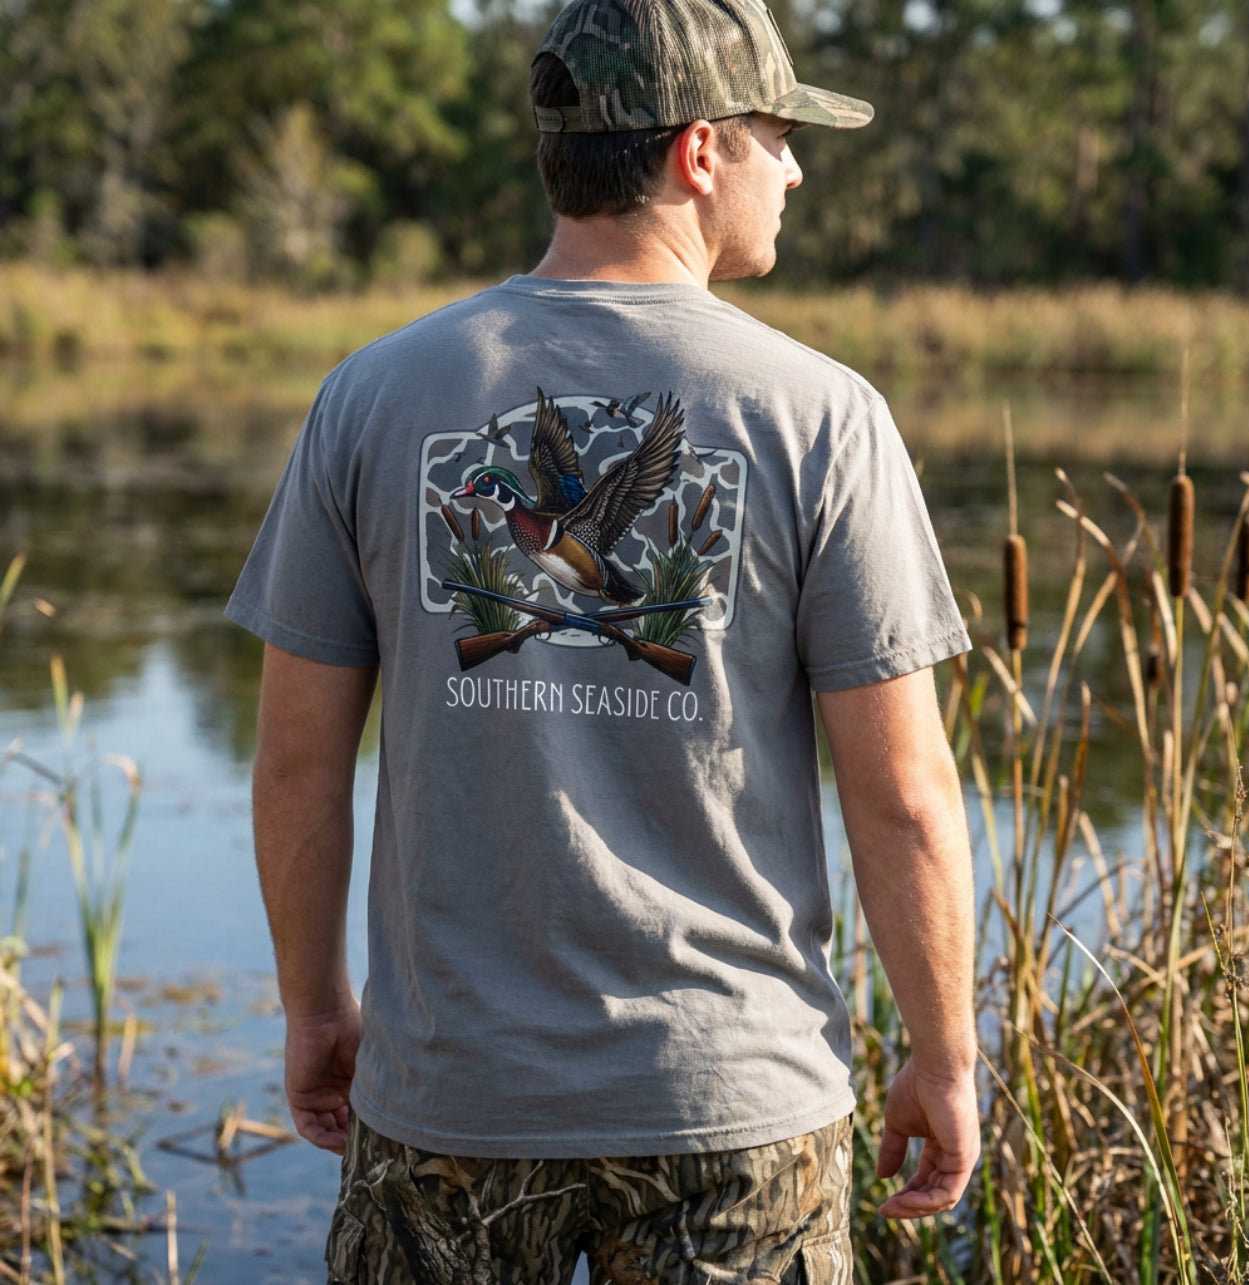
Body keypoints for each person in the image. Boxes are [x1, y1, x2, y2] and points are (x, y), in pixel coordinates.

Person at [227, 0, 980, 1280]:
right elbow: (901, 796)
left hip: (448, 1101)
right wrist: (945, 1055)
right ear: (699, 153)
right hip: (734, 1110)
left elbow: (298, 759)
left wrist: (315, 1008)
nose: (794, 167)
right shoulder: (822, 418)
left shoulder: (371, 392)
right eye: (777, 135)